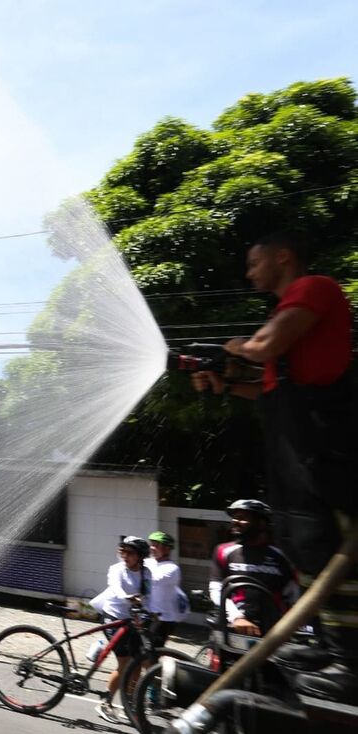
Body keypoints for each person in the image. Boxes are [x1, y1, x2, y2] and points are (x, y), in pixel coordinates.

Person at [191, 230, 358, 701]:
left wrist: (232, 347)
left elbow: (262, 347)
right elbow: (266, 389)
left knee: (335, 555)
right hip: (298, 455)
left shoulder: (314, 289)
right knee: (307, 550)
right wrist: (223, 383)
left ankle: (352, 662)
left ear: (283, 257)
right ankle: (328, 650)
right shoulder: (283, 322)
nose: (248, 272)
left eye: (253, 261)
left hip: (327, 450)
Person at [209, 500, 300, 638]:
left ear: (261, 523)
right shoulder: (223, 550)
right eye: (234, 517)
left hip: (274, 630)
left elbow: (294, 593)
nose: (235, 521)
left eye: (242, 518)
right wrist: (237, 617)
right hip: (233, 625)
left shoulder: (282, 555)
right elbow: (216, 588)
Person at [89, 536, 152, 725]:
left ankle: (129, 702)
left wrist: (153, 610)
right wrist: (129, 597)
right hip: (113, 617)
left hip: (132, 620)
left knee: (138, 664)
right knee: (124, 662)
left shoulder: (145, 573)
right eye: (122, 551)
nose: (124, 556)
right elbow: (116, 588)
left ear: (140, 556)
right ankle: (105, 703)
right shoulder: (116, 569)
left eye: (130, 553)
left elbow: (149, 594)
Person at [144, 531, 187, 651]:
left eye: (156, 545)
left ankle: (164, 668)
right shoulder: (150, 562)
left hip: (163, 620)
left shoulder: (172, 568)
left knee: (152, 654)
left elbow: (151, 580)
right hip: (148, 615)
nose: (152, 548)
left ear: (167, 549)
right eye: (151, 544)